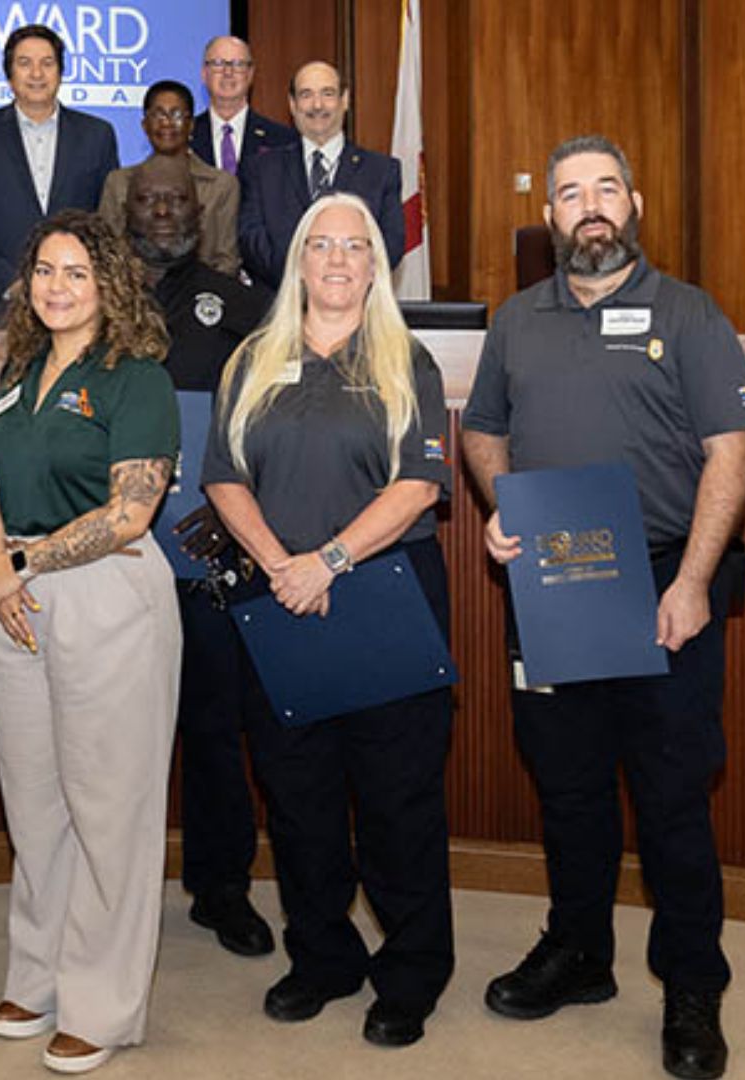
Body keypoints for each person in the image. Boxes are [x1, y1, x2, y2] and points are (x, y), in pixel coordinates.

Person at [462, 135, 745, 1080]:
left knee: (672, 801)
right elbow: (482, 430)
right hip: (553, 585)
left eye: (604, 190)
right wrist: (502, 513)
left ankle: (691, 985)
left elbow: (734, 452)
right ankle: (580, 954)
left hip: (664, 588)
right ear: (550, 215)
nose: (587, 207)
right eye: (568, 194)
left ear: (633, 204)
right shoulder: (517, 319)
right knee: (571, 790)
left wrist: (692, 582)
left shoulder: (691, 314)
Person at [203, 192, 455, 1048]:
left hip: (383, 598)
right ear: (298, 262)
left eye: (356, 246)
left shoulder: (405, 359)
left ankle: (412, 971)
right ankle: (322, 958)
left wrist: (329, 561)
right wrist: (280, 564)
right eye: (322, 245)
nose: (338, 260)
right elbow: (223, 477)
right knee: (299, 798)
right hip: (279, 602)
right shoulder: (252, 358)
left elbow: (419, 485)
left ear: (376, 264)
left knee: (398, 801)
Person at [0, 210, 181, 1074]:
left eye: (77, 274)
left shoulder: (136, 377)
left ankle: (101, 1001)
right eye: (46, 271)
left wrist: (25, 564)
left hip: (107, 596)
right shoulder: (19, 367)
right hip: (13, 601)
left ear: (110, 287)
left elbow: (133, 512)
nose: (57, 288)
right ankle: (41, 971)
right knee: (35, 802)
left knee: (108, 806)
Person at [119, 155, 278, 959]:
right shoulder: (92, 304)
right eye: (146, 201)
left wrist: (235, 504)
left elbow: (277, 424)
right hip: (109, 568)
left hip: (210, 566)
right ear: (127, 209)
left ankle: (222, 889)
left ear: (200, 209)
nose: (161, 213)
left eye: (176, 200)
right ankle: (114, 896)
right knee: (113, 737)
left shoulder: (247, 306)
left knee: (217, 732)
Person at [0, 24, 118, 325]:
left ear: (61, 71)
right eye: (25, 63)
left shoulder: (96, 135)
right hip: (0, 303)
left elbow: (105, 220)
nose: (36, 74)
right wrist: (8, 281)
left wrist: (75, 279)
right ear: (9, 74)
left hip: (75, 301)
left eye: (47, 63)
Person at [236, 61, 403, 291]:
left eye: (328, 93)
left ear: (345, 100)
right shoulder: (262, 169)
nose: (317, 105)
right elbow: (251, 240)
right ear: (292, 105)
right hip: (278, 309)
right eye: (306, 95)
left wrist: (337, 283)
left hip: (354, 309)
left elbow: (389, 246)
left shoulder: (381, 171)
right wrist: (301, 280)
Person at [97, 79, 240, 276]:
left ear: (191, 125)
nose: (167, 123)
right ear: (144, 124)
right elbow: (106, 252)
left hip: (200, 295)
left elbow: (227, 259)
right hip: (135, 296)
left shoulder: (221, 185)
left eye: (177, 115)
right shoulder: (119, 182)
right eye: (158, 115)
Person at [193, 35, 296, 175]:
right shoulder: (183, 138)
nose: (228, 72)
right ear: (204, 74)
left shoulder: (282, 140)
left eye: (238, 64)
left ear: (250, 74)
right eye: (218, 63)